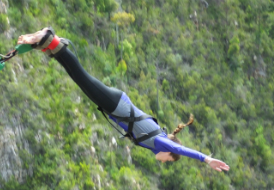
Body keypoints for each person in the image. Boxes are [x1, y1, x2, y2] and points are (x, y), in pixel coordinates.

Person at [17, 27, 230, 172]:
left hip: (115, 104)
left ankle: (49, 45)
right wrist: (206, 159)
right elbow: (182, 150)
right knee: (81, 76)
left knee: (77, 77)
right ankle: (49, 37)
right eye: (168, 159)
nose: (165, 161)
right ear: (168, 153)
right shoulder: (161, 142)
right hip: (116, 105)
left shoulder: (158, 141)